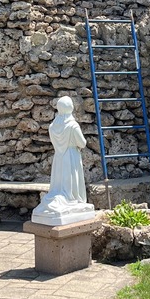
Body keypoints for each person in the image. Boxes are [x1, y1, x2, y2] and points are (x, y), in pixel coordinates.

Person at [32, 96, 95, 224]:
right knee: (70, 181)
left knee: (59, 183)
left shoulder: (52, 126)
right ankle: (72, 199)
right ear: (70, 107)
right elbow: (82, 143)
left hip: (59, 157)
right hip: (71, 156)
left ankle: (62, 198)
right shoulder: (73, 125)